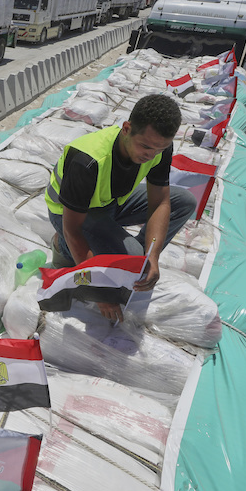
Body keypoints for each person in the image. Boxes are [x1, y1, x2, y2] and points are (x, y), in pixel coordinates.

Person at [45, 93, 196, 322]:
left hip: (110, 202)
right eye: (145, 146)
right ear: (126, 129)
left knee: (184, 202)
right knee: (130, 256)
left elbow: (160, 202)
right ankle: (63, 248)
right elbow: (72, 229)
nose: (151, 155)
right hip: (69, 215)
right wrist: (99, 291)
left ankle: (129, 260)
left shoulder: (159, 147)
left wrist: (152, 256)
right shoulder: (87, 160)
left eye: (159, 149)